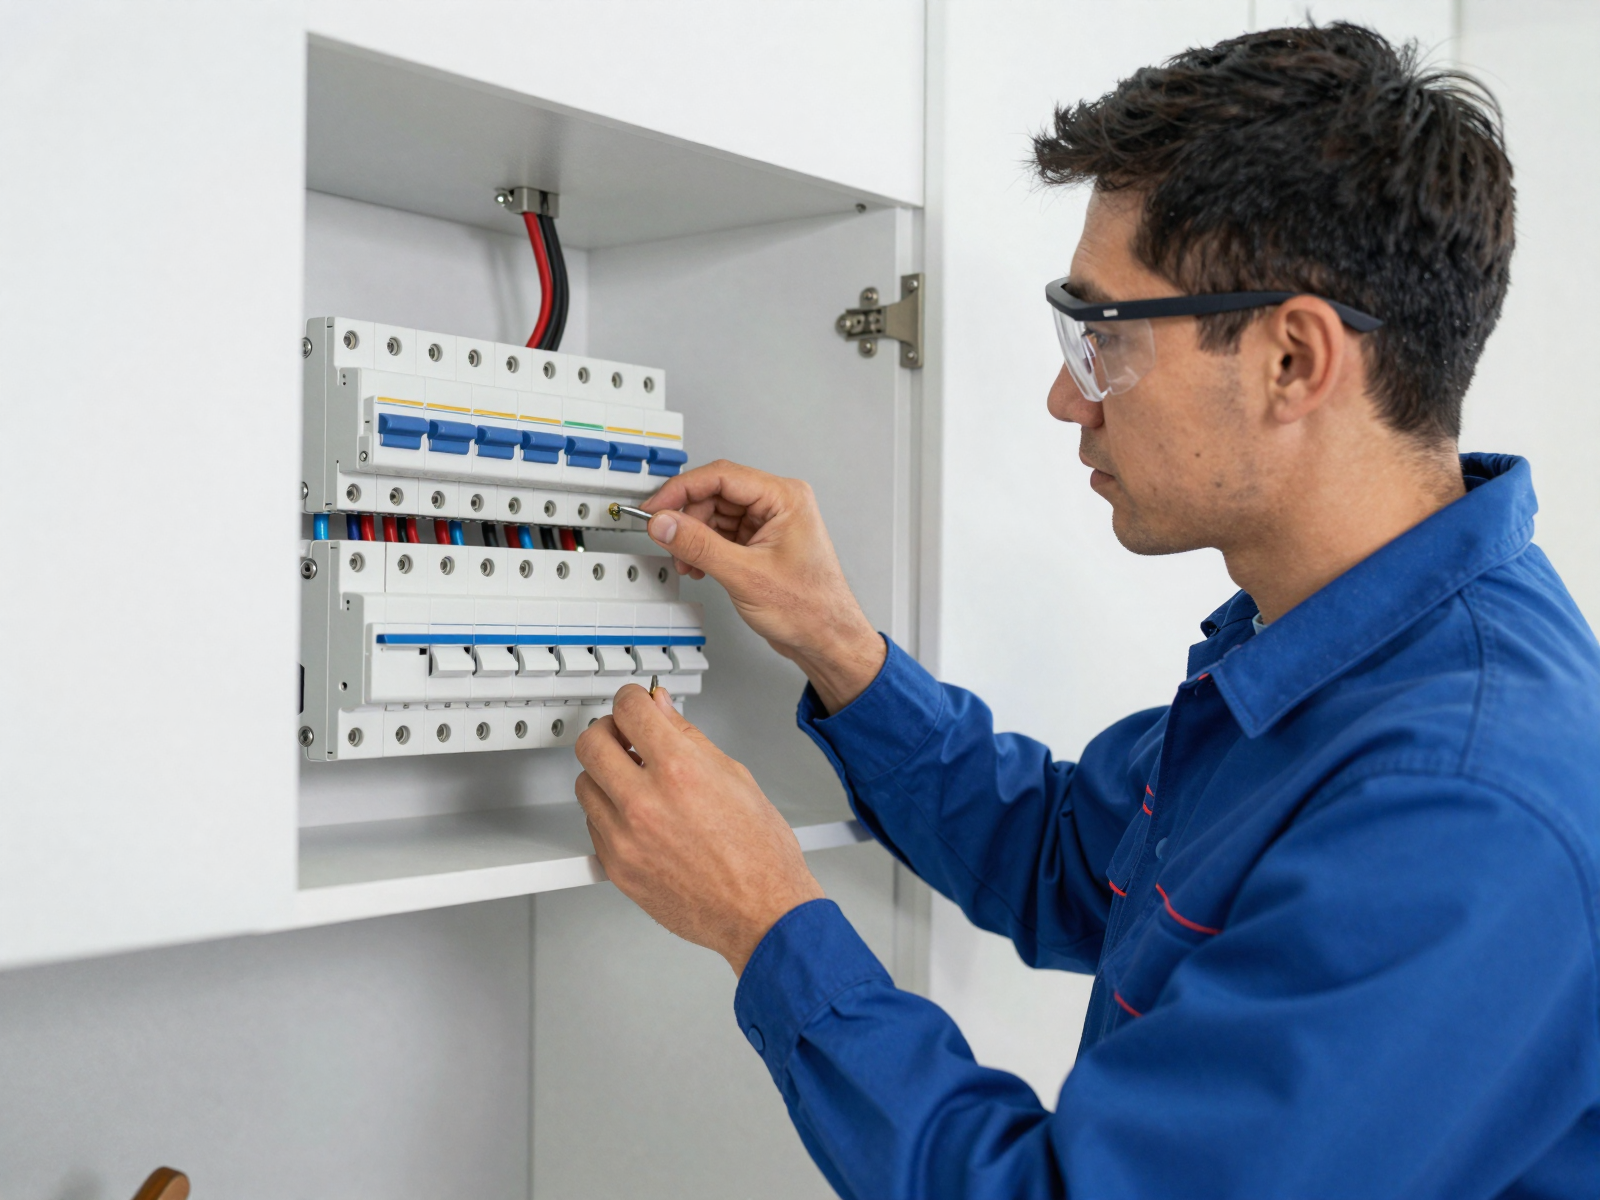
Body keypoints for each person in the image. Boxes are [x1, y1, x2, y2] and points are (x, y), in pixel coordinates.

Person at [572, 23, 1600, 1199]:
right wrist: (838, 648)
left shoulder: (1460, 809)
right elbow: (1072, 860)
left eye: (1102, 336)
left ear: (1292, 359)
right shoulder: (1337, 654)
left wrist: (765, 920)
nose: (1066, 395)